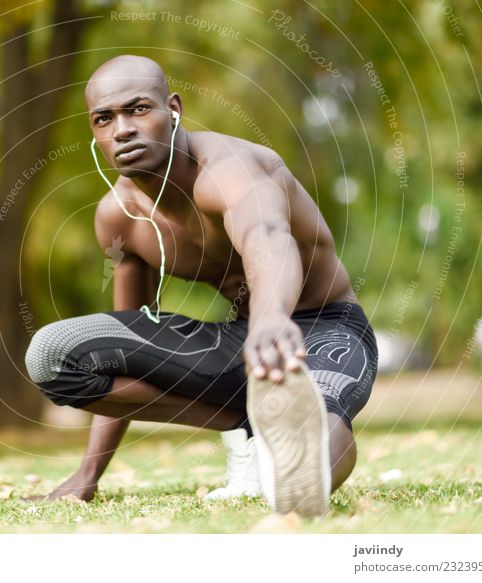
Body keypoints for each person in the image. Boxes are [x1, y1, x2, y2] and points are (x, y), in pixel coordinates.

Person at [24, 55, 378, 516]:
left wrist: (271, 319)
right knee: (54, 354)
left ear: (173, 108)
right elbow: (129, 331)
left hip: (325, 327)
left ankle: (296, 480)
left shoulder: (234, 169)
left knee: (317, 414)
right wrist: (88, 474)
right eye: (104, 119)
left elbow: (267, 237)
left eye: (138, 109)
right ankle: (247, 424)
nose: (123, 129)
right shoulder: (118, 217)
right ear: (94, 132)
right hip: (241, 339)